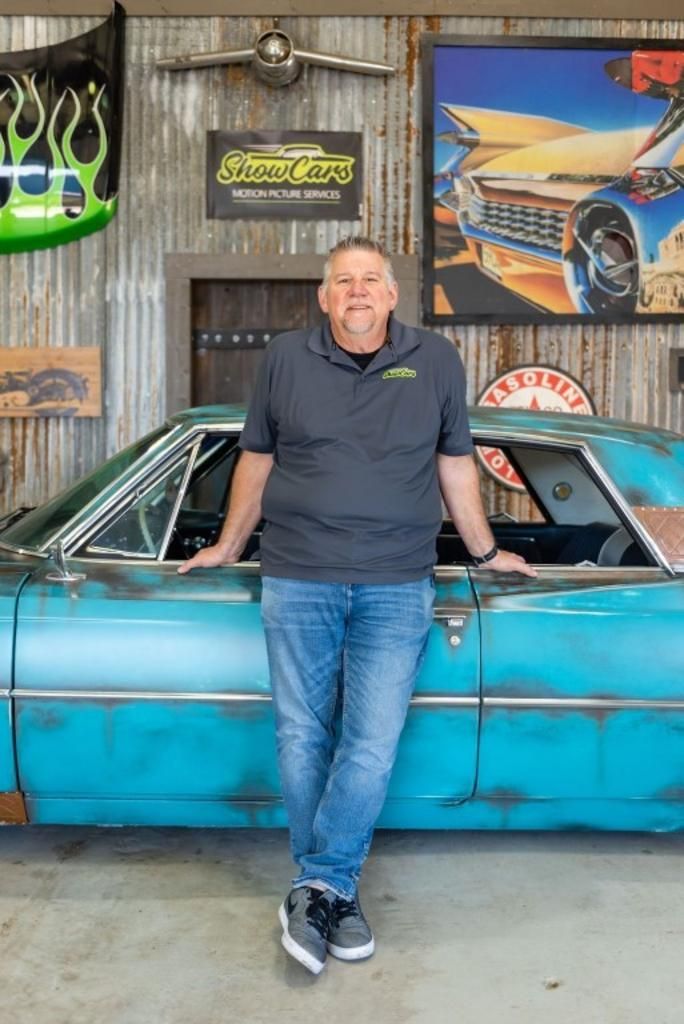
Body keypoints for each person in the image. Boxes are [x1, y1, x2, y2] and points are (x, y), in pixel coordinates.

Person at [178, 236, 537, 975]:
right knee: (301, 736)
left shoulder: (434, 359)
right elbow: (257, 457)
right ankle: (332, 890)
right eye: (344, 281)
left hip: (397, 581)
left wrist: (483, 552)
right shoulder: (284, 358)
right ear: (324, 296)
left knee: (370, 742)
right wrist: (227, 544)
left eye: (371, 279)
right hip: (297, 575)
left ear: (393, 294)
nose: (358, 291)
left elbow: (455, 463)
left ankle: (318, 884)